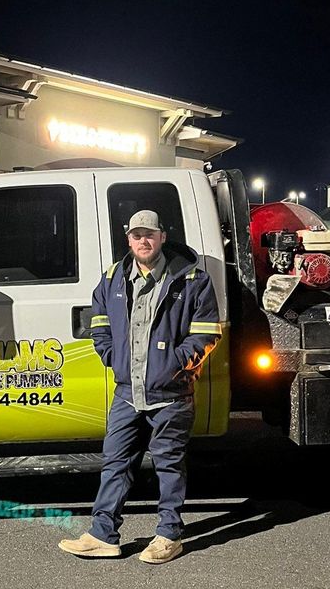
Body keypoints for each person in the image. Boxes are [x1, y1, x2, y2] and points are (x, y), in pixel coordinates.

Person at [59, 210, 221, 564]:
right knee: (115, 462)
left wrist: (174, 365)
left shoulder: (192, 279)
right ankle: (103, 534)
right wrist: (110, 356)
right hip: (126, 392)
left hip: (171, 394)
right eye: (136, 235)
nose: (142, 241)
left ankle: (168, 535)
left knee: (168, 464)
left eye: (149, 234)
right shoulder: (113, 278)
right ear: (128, 239)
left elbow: (207, 333)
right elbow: (99, 324)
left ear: (162, 236)